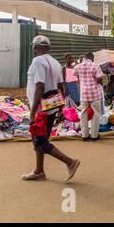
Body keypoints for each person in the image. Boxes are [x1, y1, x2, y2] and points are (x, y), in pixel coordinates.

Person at [22, 35, 80, 181]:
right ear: (48, 47)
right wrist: (60, 108)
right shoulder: (54, 62)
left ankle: (70, 162)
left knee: (40, 142)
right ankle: (39, 171)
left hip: (41, 110)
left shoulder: (37, 61)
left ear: (35, 47)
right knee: (41, 139)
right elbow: (60, 87)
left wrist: (33, 111)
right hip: (51, 108)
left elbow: (39, 86)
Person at [73, 52, 104, 141]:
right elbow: (99, 78)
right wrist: (101, 83)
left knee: (83, 114)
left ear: (85, 58)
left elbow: (74, 73)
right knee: (96, 114)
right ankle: (94, 135)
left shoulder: (79, 66)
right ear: (92, 58)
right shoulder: (95, 65)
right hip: (95, 94)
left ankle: (85, 135)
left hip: (84, 94)